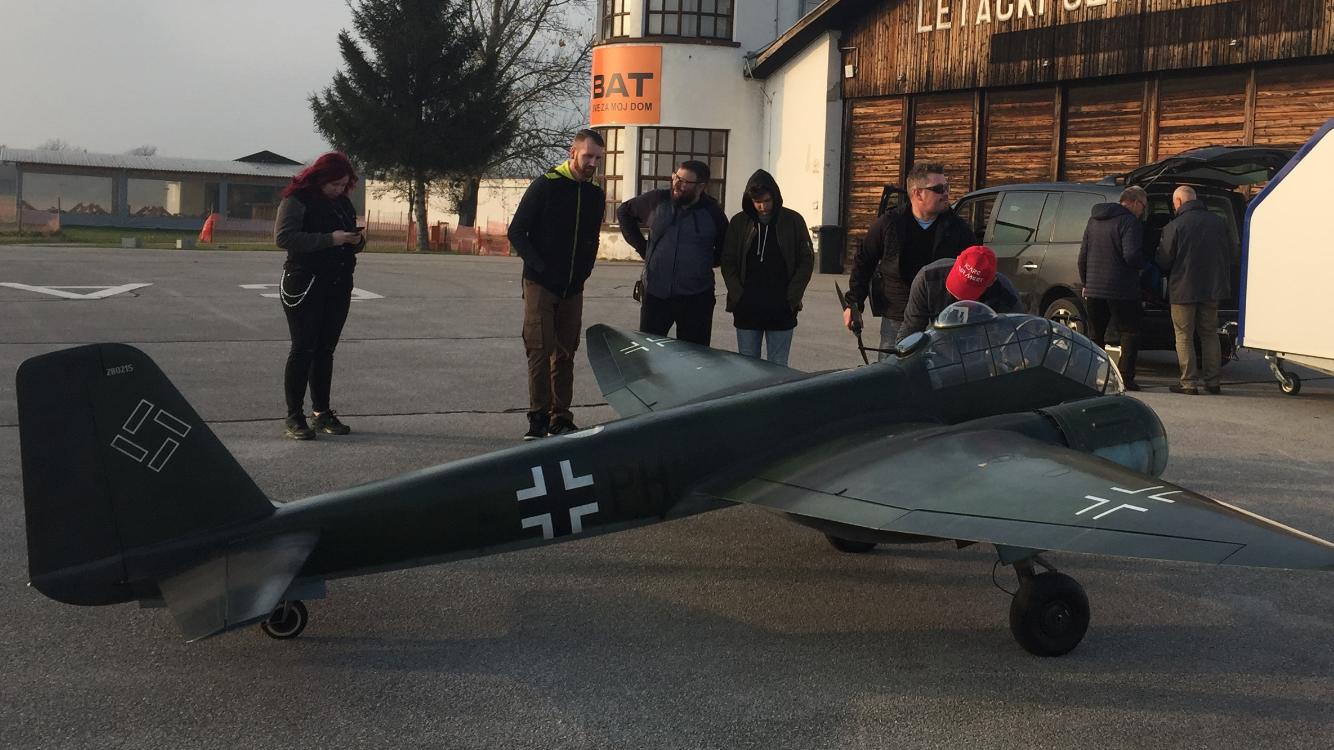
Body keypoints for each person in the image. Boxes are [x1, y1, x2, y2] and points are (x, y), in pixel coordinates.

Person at [508, 128, 606, 439]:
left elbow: (592, 239)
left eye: (598, 158)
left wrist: (584, 272)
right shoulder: (546, 186)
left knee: (566, 352)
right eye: (587, 155)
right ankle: (538, 418)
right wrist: (539, 267)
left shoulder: (594, 194)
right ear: (572, 152)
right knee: (540, 349)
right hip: (540, 284)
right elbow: (516, 232)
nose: (592, 163)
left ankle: (560, 417)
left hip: (573, 287)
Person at [274, 151, 366, 440]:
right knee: (303, 348)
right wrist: (331, 239)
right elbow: (284, 238)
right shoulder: (296, 200)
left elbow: (348, 240)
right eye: (334, 184)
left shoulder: (342, 204)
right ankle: (294, 416)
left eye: (344, 185)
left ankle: (321, 412)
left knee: (326, 350)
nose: (339, 190)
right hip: (304, 282)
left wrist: (357, 240)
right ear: (320, 178)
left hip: (338, 283)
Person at [843, 163, 976, 360]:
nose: (946, 194)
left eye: (947, 187)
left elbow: (973, 271)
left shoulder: (958, 228)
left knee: (942, 378)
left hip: (943, 320)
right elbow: (864, 261)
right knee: (893, 377)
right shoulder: (890, 224)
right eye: (939, 189)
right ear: (918, 193)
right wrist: (854, 304)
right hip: (898, 317)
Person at [616, 159, 729, 345]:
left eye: (685, 182)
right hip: (656, 295)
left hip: (697, 299)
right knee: (650, 357)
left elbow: (726, 248)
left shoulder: (713, 213)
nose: (677, 184)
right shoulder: (657, 200)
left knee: (694, 360)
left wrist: (705, 263)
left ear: (701, 186)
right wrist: (644, 249)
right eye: (676, 177)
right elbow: (624, 212)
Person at [719, 170, 814, 366]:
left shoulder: (793, 221)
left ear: (776, 197)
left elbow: (806, 260)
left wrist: (792, 298)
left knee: (778, 364)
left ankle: (776, 398)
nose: (763, 207)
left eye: (768, 201)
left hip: (781, 306)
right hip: (747, 306)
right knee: (747, 364)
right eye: (758, 202)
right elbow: (728, 261)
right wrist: (738, 295)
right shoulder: (739, 222)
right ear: (750, 201)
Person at [1156, 185, 1231, 395]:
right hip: (1212, 289)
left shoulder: (1175, 226)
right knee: (1209, 334)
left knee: (1184, 336)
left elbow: (1164, 260)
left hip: (1183, 289)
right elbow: (1231, 251)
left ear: (1179, 202)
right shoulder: (1219, 223)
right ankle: (1213, 382)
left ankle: (1188, 383)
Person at [1078, 185, 1148, 390]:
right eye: (1143, 206)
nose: (1142, 211)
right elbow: (1132, 255)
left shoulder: (1093, 221)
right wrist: (1144, 267)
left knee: (1095, 335)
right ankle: (1126, 377)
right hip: (1121, 288)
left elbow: (1083, 256)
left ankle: (1094, 376)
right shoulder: (1129, 222)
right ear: (1134, 202)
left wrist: (1086, 283)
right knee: (1130, 332)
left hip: (1094, 289)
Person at [897, 245, 1022, 343]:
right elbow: (911, 328)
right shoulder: (928, 278)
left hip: (984, 352)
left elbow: (1018, 333)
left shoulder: (1005, 293)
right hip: (938, 348)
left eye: (970, 290)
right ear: (957, 261)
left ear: (991, 282)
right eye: (959, 283)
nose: (959, 297)